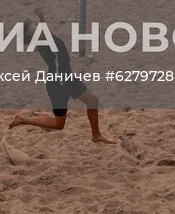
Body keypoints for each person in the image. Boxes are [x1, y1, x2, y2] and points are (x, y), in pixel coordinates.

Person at [9, 9, 116, 144]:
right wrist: (41, 17)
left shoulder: (45, 36)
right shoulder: (42, 40)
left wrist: (42, 17)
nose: (37, 27)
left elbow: (45, 28)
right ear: (31, 37)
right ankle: (22, 120)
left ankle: (96, 135)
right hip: (59, 82)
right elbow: (43, 31)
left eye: (35, 25)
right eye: (33, 28)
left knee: (89, 104)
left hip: (63, 78)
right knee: (61, 122)